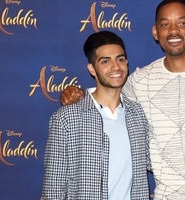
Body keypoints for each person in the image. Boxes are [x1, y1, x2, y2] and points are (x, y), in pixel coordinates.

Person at [61, 0, 185, 199]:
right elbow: (108, 100)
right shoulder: (140, 81)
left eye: (182, 23)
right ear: (156, 32)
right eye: (165, 24)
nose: (173, 31)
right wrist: (78, 95)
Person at [42, 31, 150, 200]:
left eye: (120, 59)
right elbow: (53, 187)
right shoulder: (66, 119)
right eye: (105, 61)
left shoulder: (138, 115)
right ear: (92, 69)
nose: (116, 67)